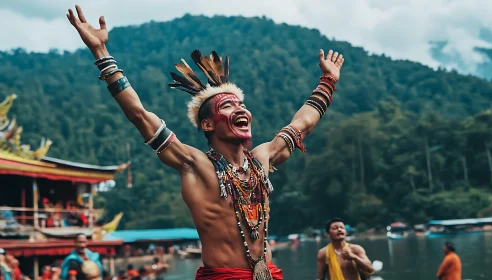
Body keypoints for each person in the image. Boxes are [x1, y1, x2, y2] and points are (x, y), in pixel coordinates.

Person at [66, 4, 344, 279]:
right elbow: (139, 114)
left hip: (268, 274)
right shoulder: (194, 164)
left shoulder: (262, 158)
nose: (240, 109)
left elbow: (302, 125)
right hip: (223, 276)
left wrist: (328, 81)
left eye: (241, 104)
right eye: (227, 106)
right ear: (207, 124)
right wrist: (101, 52)